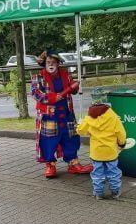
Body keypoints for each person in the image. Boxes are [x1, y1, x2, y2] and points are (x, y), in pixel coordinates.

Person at [31, 50, 93, 178]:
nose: (51, 64)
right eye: (48, 62)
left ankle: (73, 164)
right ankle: (50, 165)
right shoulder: (38, 77)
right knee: (48, 140)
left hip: (66, 113)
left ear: (58, 63)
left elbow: (72, 90)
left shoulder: (66, 75)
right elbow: (36, 93)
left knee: (70, 138)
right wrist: (53, 97)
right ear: (44, 63)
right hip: (49, 115)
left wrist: (74, 87)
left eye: (54, 62)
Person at [77, 101, 126, 200]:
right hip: (110, 151)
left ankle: (98, 193)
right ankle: (115, 192)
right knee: (113, 172)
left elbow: (80, 130)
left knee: (97, 173)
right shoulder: (113, 118)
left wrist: (81, 124)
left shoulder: (89, 119)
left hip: (96, 152)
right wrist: (122, 143)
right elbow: (121, 133)